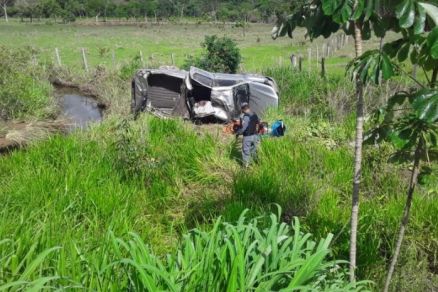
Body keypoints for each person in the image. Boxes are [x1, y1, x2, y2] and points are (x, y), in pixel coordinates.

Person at [235, 102, 260, 167]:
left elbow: (243, 129)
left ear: (242, 109)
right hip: (255, 136)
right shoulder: (254, 114)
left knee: (246, 152)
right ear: (248, 107)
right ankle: (255, 164)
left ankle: (245, 167)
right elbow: (258, 123)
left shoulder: (246, 117)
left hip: (247, 137)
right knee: (254, 151)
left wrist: (237, 132)